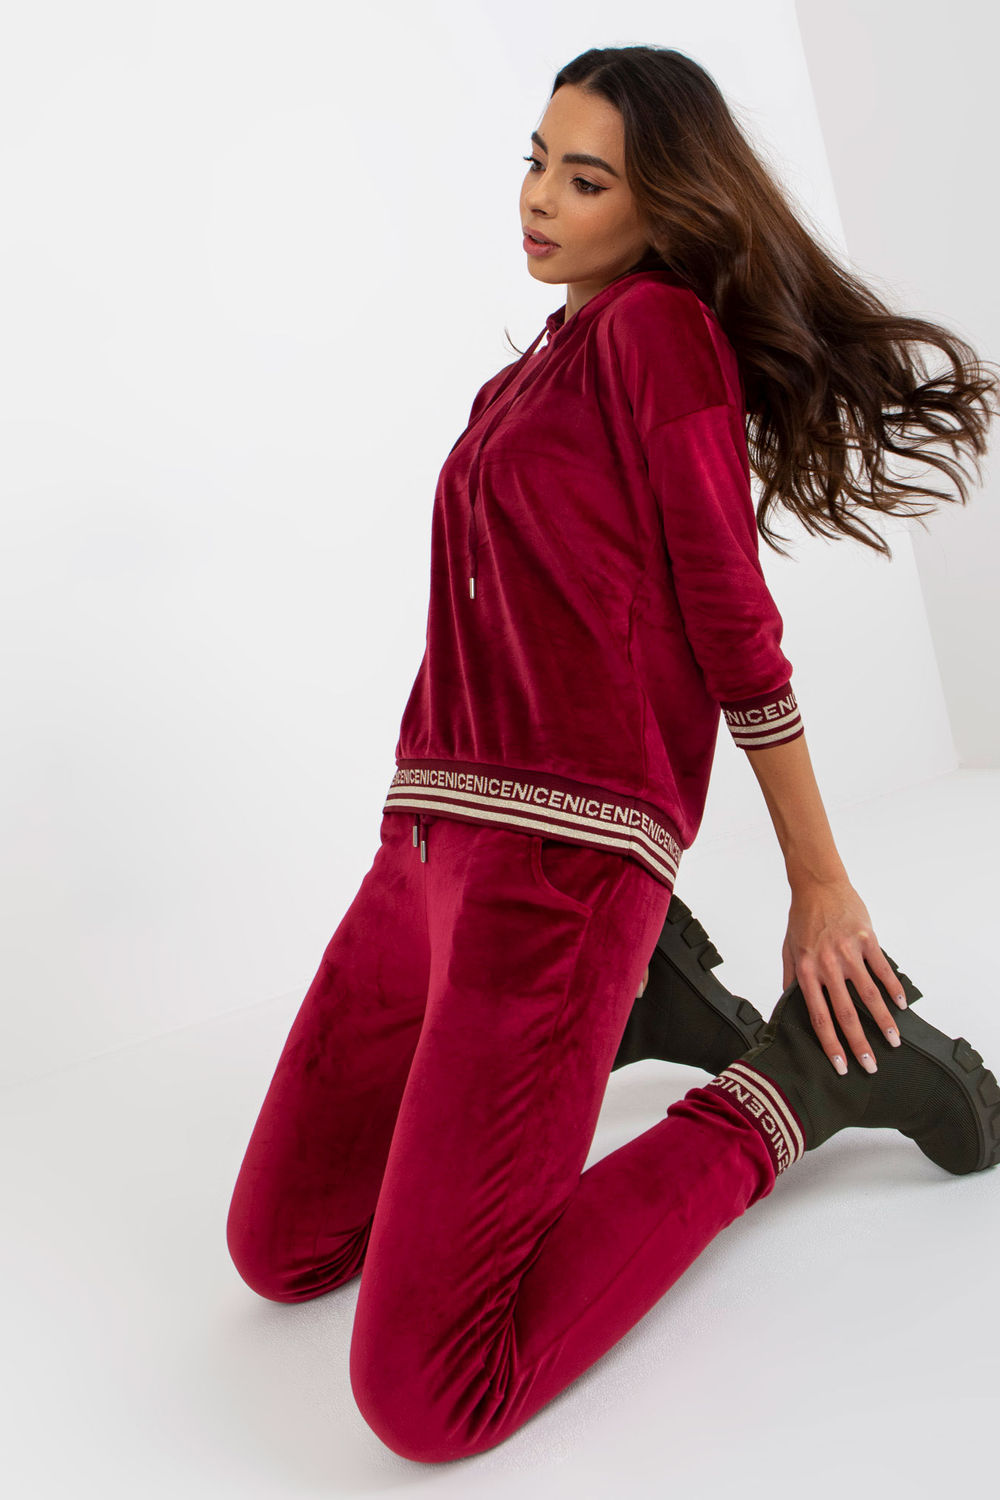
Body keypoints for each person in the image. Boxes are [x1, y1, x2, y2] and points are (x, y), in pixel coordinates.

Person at [225, 45, 1000, 1462]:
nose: (540, 199)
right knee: (281, 1251)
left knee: (428, 1395)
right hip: (424, 849)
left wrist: (820, 884)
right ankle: (640, 1002)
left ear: (663, 208)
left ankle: (793, 1089)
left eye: (586, 181)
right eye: (537, 162)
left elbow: (733, 622)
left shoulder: (658, 334)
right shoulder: (526, 374)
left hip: (560, 871)